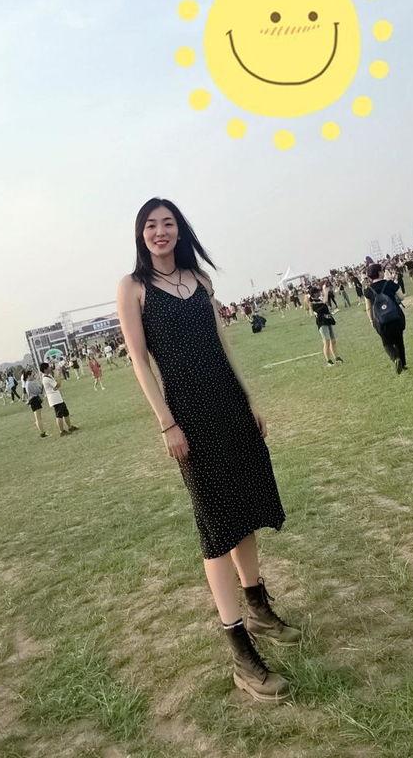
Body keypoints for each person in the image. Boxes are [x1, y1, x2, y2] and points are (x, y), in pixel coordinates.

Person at [117, 197, 299, 705]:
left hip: (230, 406)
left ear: (180, 230)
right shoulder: (133, 288)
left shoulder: (200, 280)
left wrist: (250, 399)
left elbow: (224, 345)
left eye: (168, 223)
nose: (160, 231)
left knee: (245, 510)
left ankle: (258, 607)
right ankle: (240, 651)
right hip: (189, 419)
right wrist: (167, 423)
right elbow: (139, 361)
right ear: (140, 234)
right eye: (151, 225)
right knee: (217, 527)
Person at [364, 263, 407, 373]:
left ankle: (395, 358)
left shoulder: (368, 290)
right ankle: (403, 363)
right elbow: (402, 297)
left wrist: (371, 320)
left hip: (380, 321)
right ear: (379, 273)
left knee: (386, 343)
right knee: (399, 340)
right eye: (382, 270)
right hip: (396, 317)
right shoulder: (390, 284)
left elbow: (368, 308)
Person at [39, 362, 79, 436]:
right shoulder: (46, 379)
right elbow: (58, 385)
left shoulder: (48, 376)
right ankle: (62, 431)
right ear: (45, 369)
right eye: (48, 367)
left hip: (58, 398)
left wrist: (57, 372)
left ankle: (70, 427)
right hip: (55, 400)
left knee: (66, 412)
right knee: (59, 415)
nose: (50, 368)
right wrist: (59, 374)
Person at [309, 287, 344, 366]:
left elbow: (325, 307)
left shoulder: (319, 300)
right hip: (322, 323)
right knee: (326, 342)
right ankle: (329, 361)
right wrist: (326, 293)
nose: (319, 293)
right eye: (318, 292)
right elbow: (320, 309)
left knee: (333, 341)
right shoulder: (313, 303)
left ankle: (336, 357)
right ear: (314, 294)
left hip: (327, 321)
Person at [25, 370, 48, 437]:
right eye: (33, 375)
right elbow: (38, 391)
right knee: (38, 418)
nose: (34, 376)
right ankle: (42, 433)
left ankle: (42, 432)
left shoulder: (28, 382)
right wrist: (42, 385)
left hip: (34, 400)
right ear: (29, 376)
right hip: (34, 400)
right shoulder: (30, 383)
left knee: (38, 418)